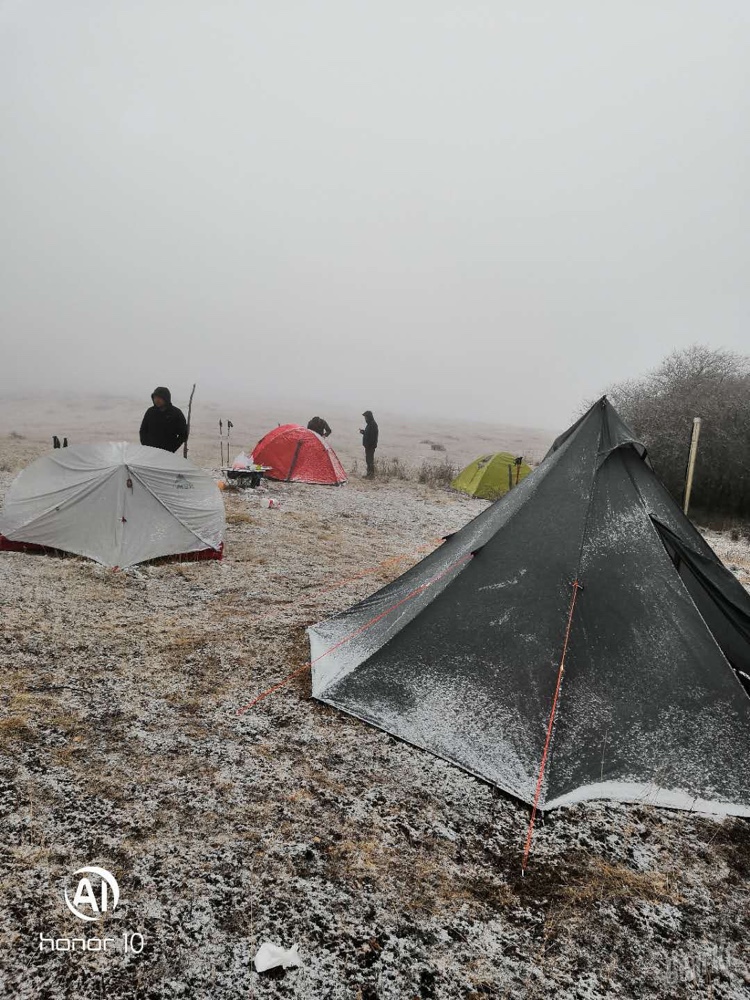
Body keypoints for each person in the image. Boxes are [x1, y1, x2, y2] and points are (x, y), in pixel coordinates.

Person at [139, 387, 188, 453]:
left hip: (167, 453)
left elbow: (183, 434)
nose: (157, 400)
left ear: (166, 398)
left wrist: (172, 448)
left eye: (159, 397)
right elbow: (143, 430)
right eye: (155, 397)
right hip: (150, 451)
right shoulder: (150, 411)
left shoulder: (176, 413)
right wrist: (146, 446)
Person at [359, 410, 378, 478]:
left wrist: (369, 445)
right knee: (368, 460)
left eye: (366, 417)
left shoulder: (373, 424)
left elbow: (372, 437)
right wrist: (363, 432)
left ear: (369, 417)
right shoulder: (370, 424)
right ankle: (369, 474)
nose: (365, 418)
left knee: (370, 461)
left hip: (370, 447)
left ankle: (371, 475)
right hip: (368, 446)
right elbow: (368, 434)